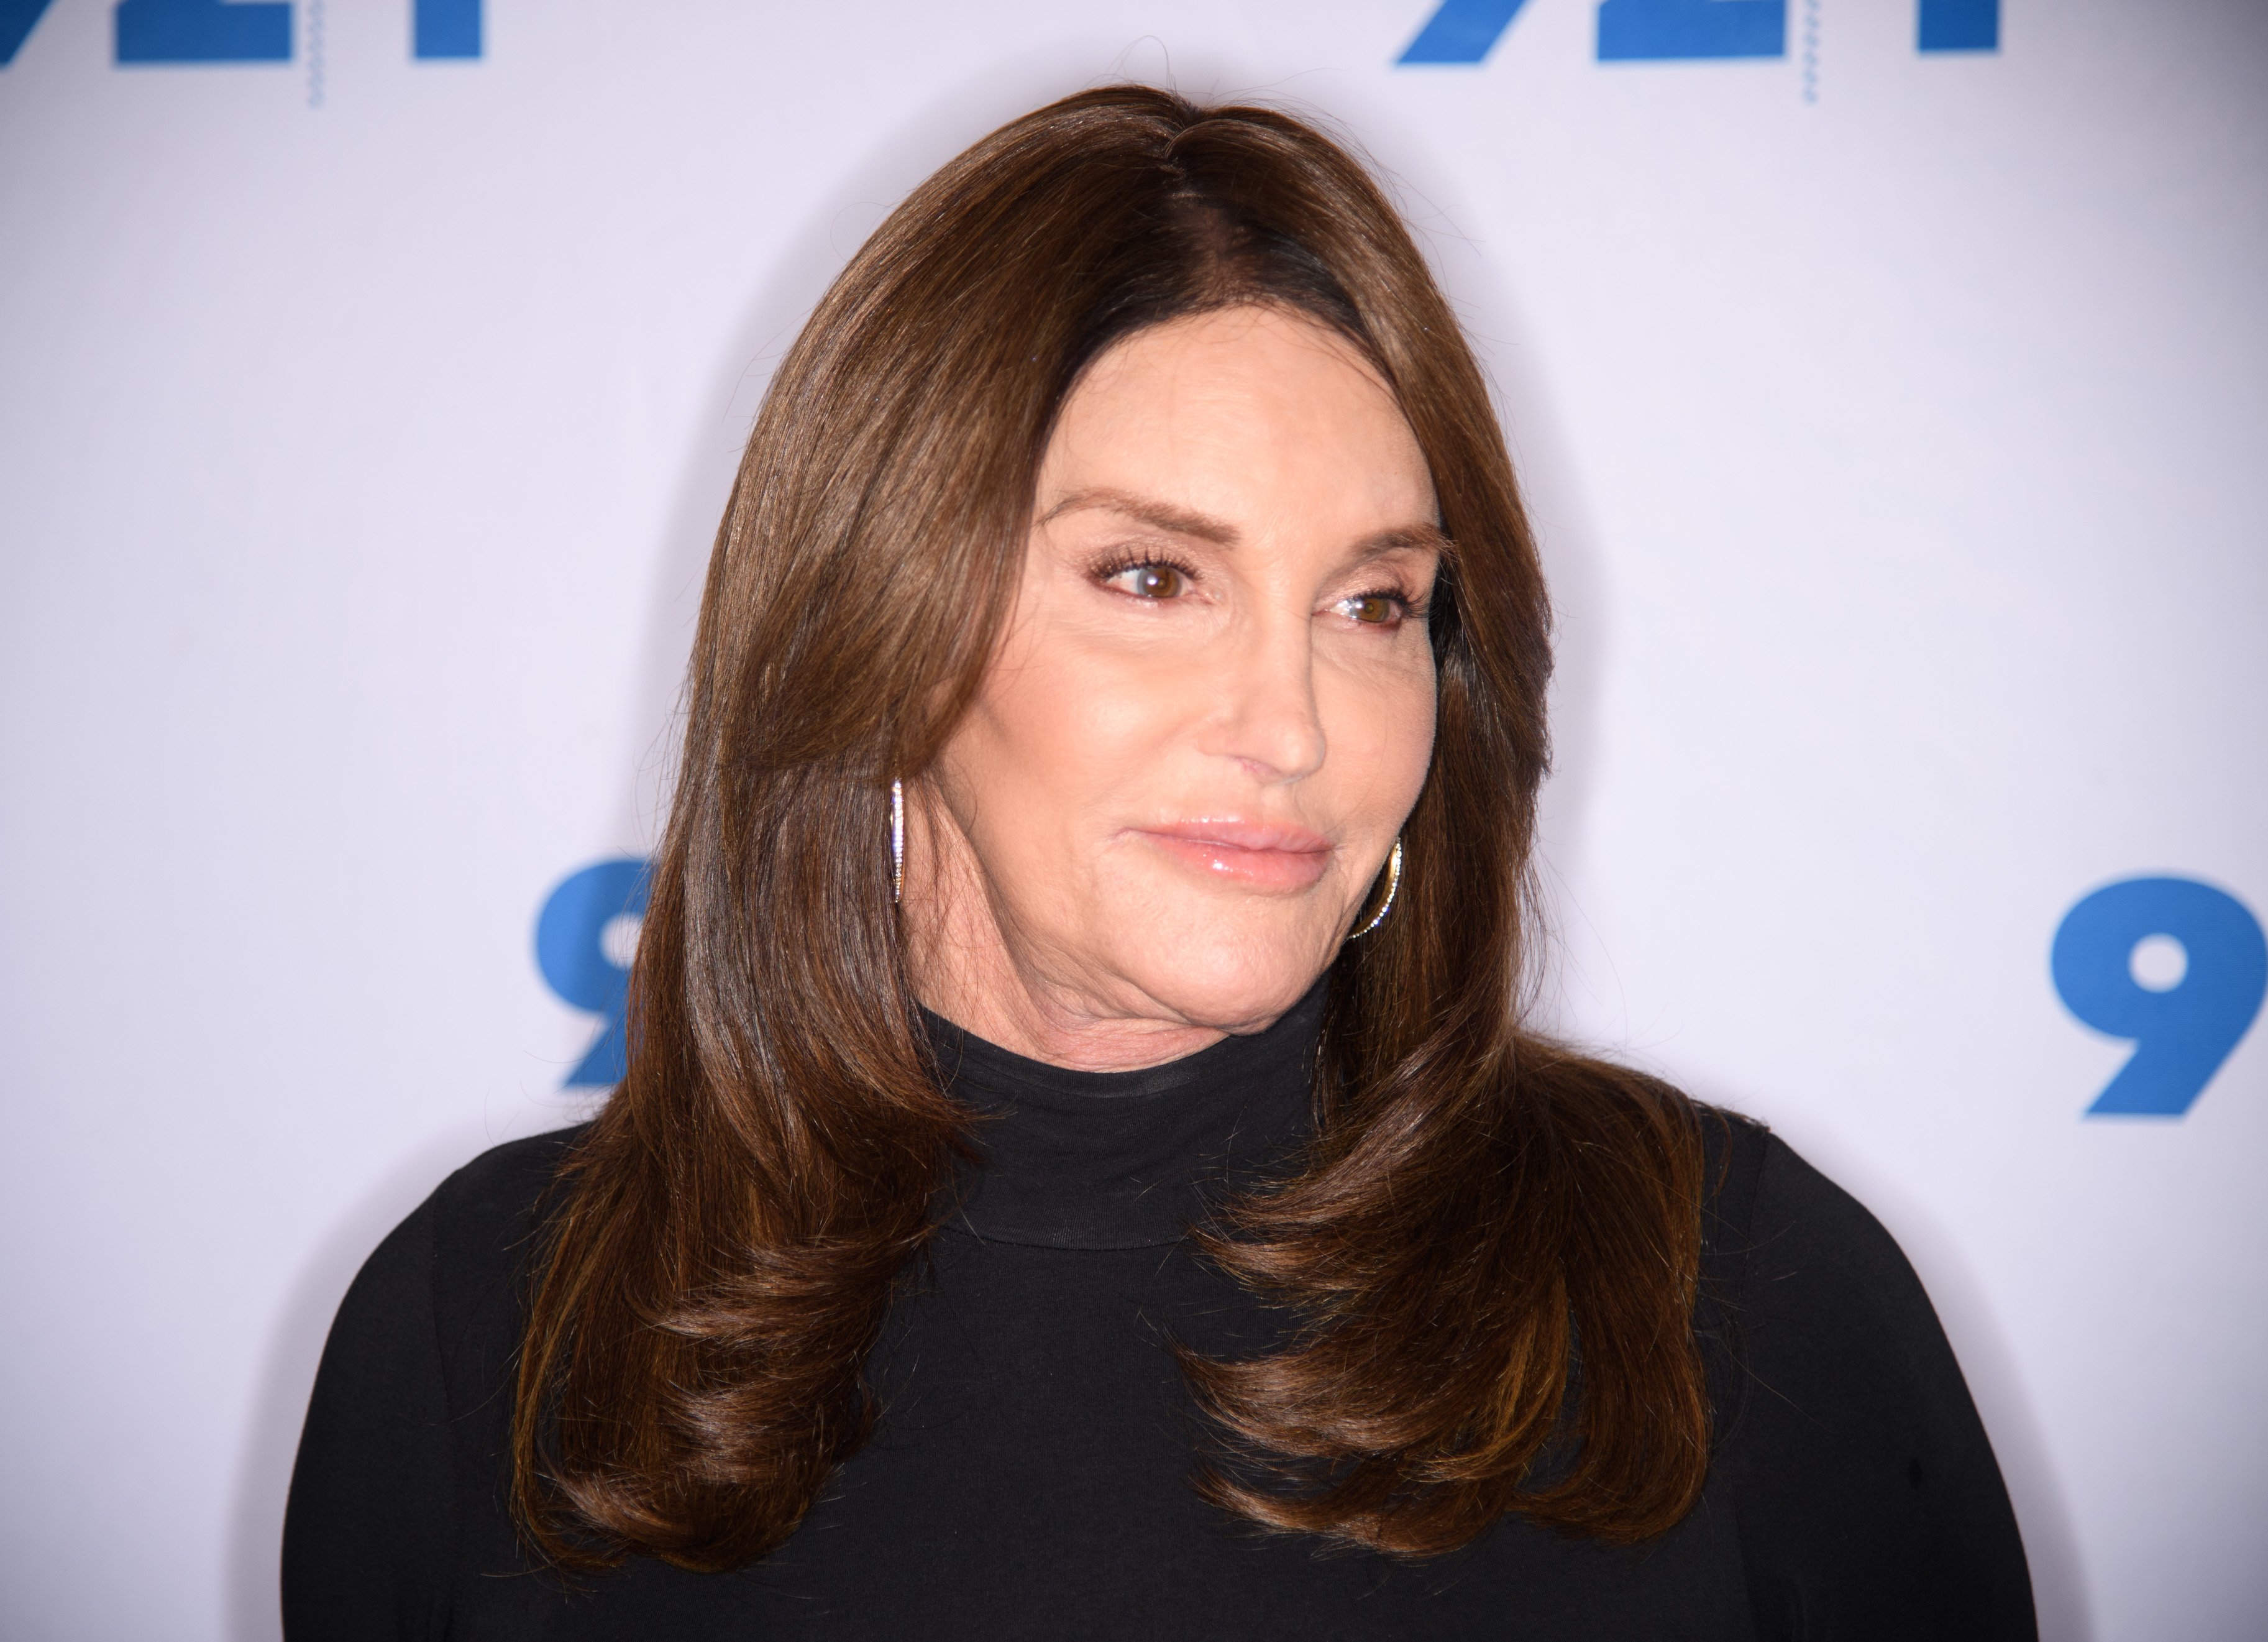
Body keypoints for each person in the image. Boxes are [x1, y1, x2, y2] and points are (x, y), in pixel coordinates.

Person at [281, 87, 2036, 1640]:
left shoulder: (1732, 1286)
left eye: (1373, 603)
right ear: (877, 627)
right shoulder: (492, 1322)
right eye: (1148, 577)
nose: (1288, 720)